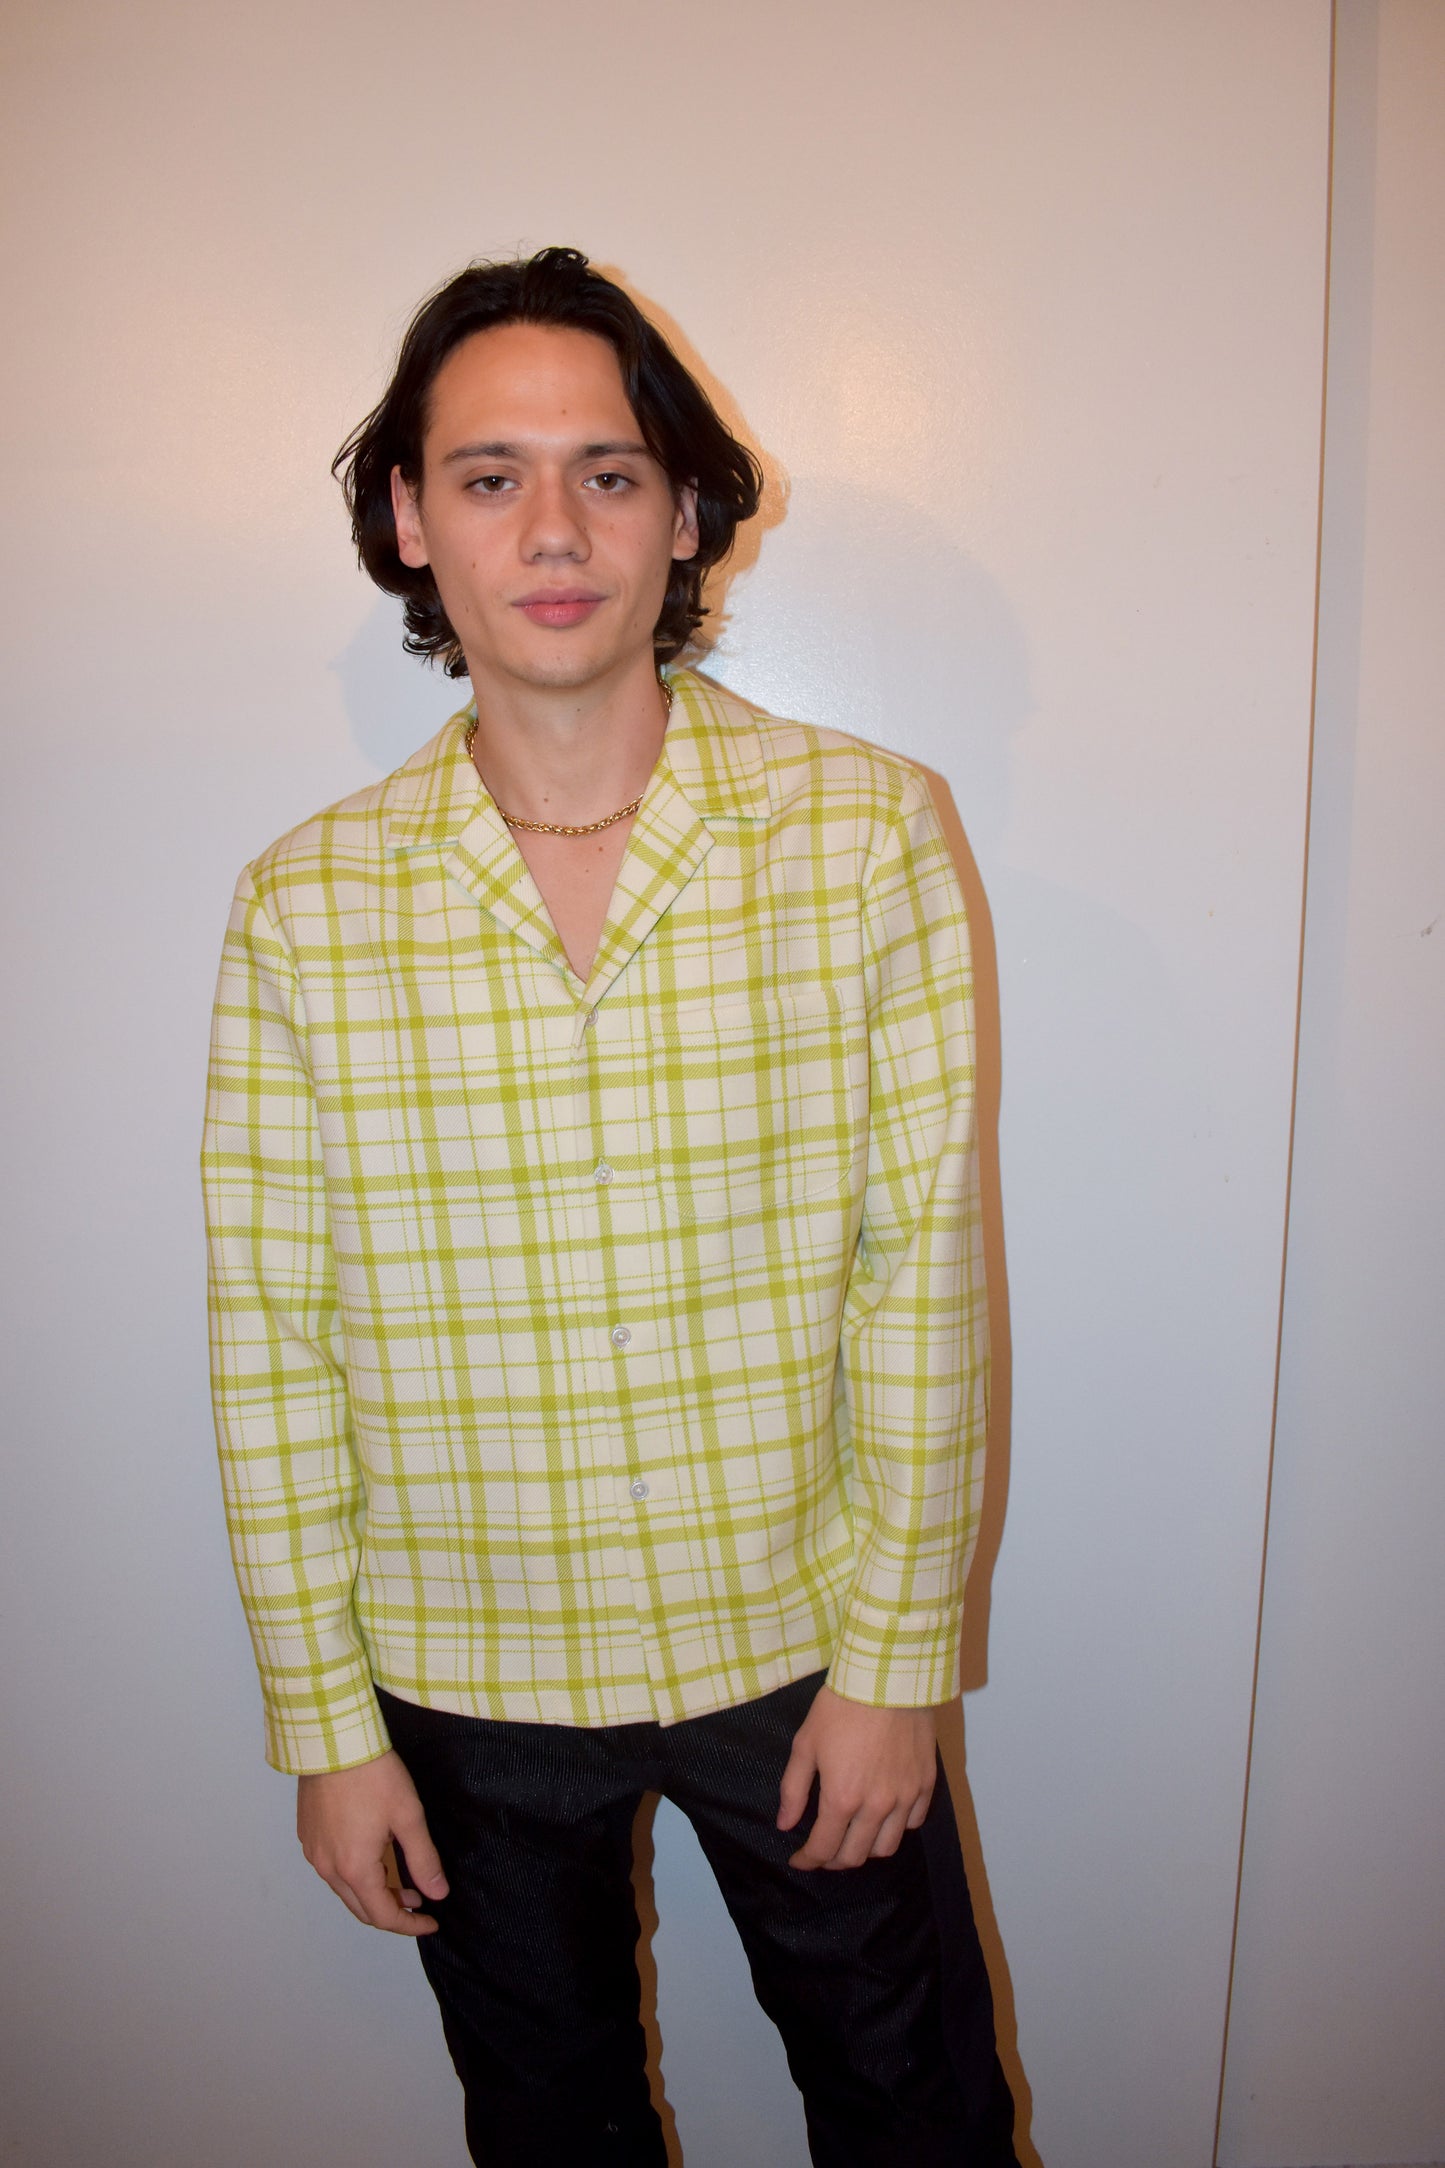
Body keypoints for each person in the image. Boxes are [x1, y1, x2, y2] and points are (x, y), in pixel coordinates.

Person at [202, 245, 1017, 2168]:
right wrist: (325, 1726)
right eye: (489, 476)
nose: (554, 530)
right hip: (463, 1671)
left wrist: (896, 1663)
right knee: (547, 2132)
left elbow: (917, 1270)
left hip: (798, 1638)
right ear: (412, 520)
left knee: (917, 2115)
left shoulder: (861, 831)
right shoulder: (305, 904)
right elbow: (272, 1336)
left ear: (683, 512)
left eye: (609, 472)